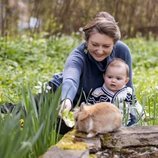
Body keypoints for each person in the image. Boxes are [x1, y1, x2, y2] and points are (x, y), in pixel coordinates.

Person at [1, 11, 134, 134]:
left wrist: (131, 114)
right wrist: (66, 100)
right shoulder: (78, 56)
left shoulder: (122, 51)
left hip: (86, 106)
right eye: (94, 44)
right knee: (18, 113)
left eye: (106, 46)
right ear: (86, 41)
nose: (99, 50)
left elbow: (127, 86)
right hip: (60, 96)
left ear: (115, 44)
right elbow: (71, 79)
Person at [87, 58, 143, 126]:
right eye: (110, 77)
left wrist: (141, 115)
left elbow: (135, 106)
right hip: (105, 124)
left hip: (125, 123)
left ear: (126, 80)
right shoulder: (98, 93)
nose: (113, 80)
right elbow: (90, 108)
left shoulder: (128, 92)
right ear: (104, 76)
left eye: (118, 78)